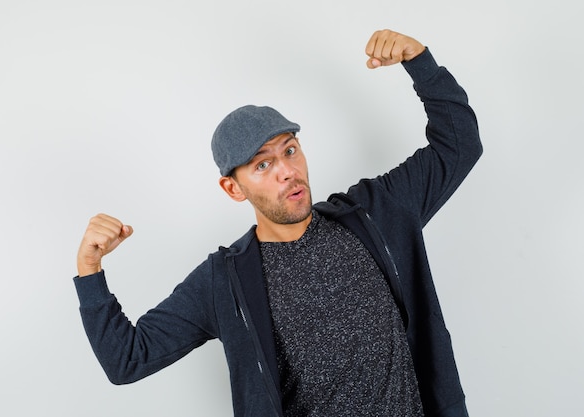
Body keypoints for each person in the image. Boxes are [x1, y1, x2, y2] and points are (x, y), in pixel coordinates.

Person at [74, 29, 482, 417]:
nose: (287, 170)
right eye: (263, 164)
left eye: (290, 150)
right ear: (234, 189)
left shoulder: (376, 212)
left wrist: (420, 62)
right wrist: (90, 271)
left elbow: (459, 145)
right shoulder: (224, 281)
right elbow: (127, 359)